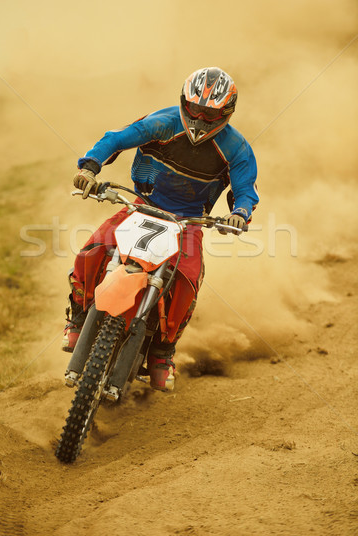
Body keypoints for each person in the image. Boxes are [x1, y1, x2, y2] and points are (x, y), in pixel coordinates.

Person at [62, 67, 259, 391]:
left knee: (187, 278)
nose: (199, 119)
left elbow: (246, 189)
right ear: (183, 102)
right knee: (92, 250)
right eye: (194, 109)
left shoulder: (237, 149)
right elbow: (115, 140)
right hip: (140, 204)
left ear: (226, 112)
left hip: (189, 221)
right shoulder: (161, 122)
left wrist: (239, 213)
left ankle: (162, 352)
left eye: (209, 113)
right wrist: (89, 168)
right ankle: (78, 316)